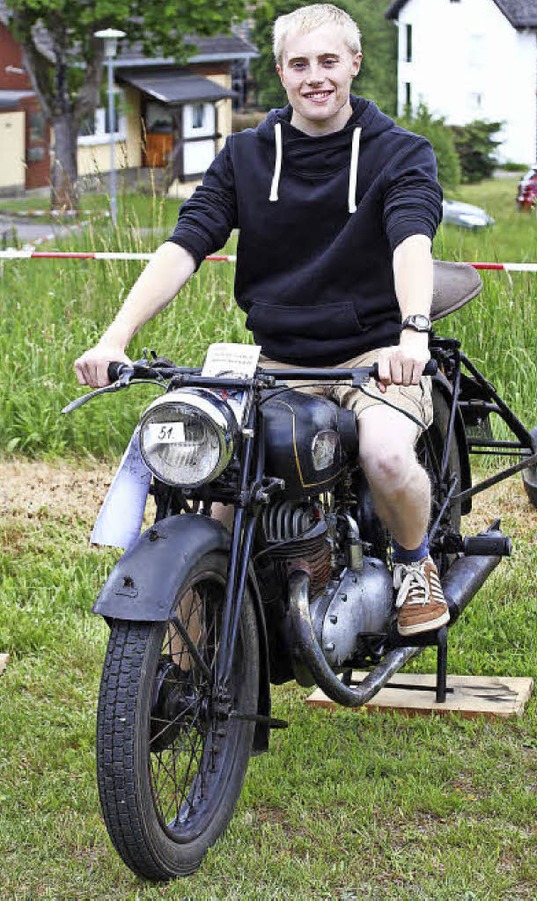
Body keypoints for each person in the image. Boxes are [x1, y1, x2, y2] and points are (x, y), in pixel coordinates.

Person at [74, 3, 448, 636]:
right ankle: (185, 652)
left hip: (375, 354)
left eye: (329, 61)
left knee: (385, 454)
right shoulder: (247, 154)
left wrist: (413, 332)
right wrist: (116, 334)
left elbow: (412, 240)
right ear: (280, 72)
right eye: (299, 64)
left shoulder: (400, 152)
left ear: (354, 63)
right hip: (275, 360)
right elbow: (185, 244)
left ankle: (415, 563)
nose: (315, 77)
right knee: (215, 486)